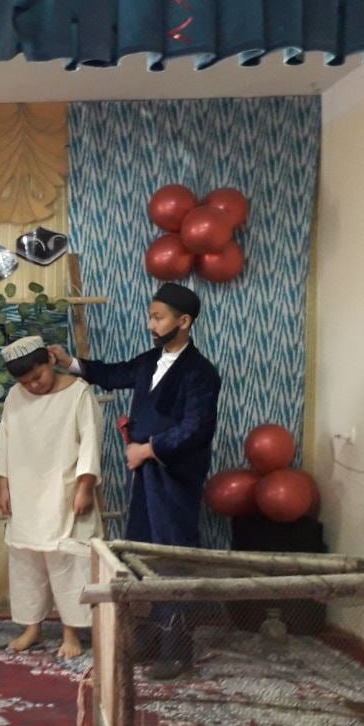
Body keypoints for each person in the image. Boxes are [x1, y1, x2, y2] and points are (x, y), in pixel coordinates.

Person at [48, 282, 221, 680]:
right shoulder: (150, 360)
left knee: (172, 557)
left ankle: (177, 650)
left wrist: (149, 448)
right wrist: (69, 362)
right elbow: (114, 373)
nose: (150, 324)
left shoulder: (201, 373)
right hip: (144, 475)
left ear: (184, 321)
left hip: (174, 477)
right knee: (141, 549)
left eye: (158, 318)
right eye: (150, 316)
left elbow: (196, 428)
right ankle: (149, 637)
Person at [0, 336, 103, 658]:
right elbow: (5, 440)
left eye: (37, 377)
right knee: (26, 561)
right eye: (25, 382)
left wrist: (85, 487)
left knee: (68, 561)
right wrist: (4, 486)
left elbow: (91, 442)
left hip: (65, 490)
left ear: (50, 361)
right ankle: (32, 627)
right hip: (25, 491)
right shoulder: (15, 396)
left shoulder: (79, 393)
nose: (33, 386)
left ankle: (71, 632)